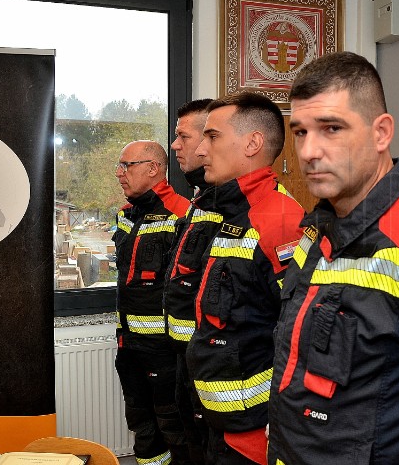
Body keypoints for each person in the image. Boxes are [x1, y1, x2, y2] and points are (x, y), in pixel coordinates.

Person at [267, 51, 399, 465]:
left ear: (381, 133)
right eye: (300, 132)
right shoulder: (316, 230)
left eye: (331, 128)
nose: (309, 151)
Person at [184, 92, 306, 465]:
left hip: (254, 435)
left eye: (213, 137)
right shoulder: (231, 214)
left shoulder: (281, 221)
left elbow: (299, 336)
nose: (202, 150)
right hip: (219, 419)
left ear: (253, 143)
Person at [113, 140, 191, 465]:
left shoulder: (184, 215)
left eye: (126, 165)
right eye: (119, 166)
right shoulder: (125, 215)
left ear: (153, 169)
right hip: (129, 347)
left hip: (166, 352)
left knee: (175, 430)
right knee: (142, 429)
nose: (119, 173)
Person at [165, 98, 214, 464]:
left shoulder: (264, 211)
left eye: (183, 136)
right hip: (186, 358)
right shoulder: (200, 203)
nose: (175, 145)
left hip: (222, 374)